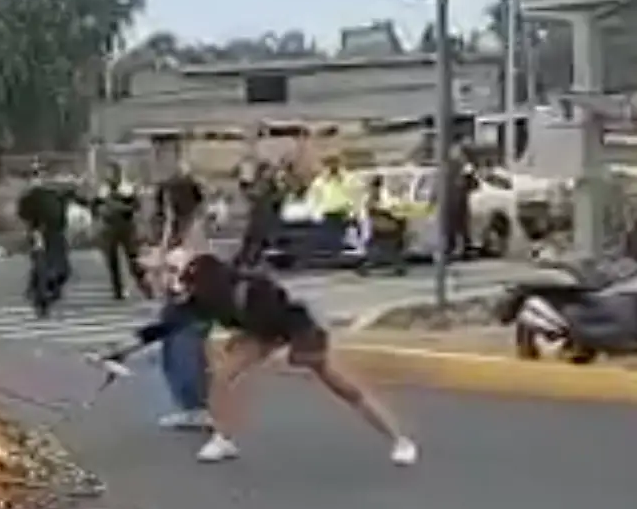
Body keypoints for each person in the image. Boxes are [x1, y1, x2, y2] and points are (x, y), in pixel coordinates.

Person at [100, 250, 418, 466]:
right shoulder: (202, 301)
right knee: (223, 376)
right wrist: (121, 350)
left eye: (180, 276)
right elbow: (161, 329)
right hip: (262, 333)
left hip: (297, 330)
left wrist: (278, 349)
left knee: (339, 385)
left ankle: (399, 440)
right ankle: (223, 439)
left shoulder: (250, 288)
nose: (177, 286)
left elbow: (286, 314)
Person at [149, 246, 211, 431]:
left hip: (187, 320)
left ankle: (199, 408)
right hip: (177, 319)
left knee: (185, 359)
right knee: (173, 358)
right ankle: (193, 408)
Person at [16, 165, 74, 318]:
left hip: (56, 234)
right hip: (39, 233)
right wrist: (34, 229)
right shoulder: (30, 196)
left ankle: (48, 290)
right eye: (35, 176)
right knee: (41, 267)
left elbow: (63, 211)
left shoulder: (55, 194)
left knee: (62, 269)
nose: (39, 179)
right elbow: (23, 213)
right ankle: (41, 300)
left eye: (40, 175)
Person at [92, 164, 146, 302]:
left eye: (112, 173)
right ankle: (118, 290)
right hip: (110, 227)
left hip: (126, 226)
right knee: (112, 260)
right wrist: (100, 212)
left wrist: (120, 206)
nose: (110, 176)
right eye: (108, 173)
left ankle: (144, 285)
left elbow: (137, 206)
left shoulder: (127, 188)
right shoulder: (103, 190)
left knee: (133, 257)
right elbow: (95, 206)